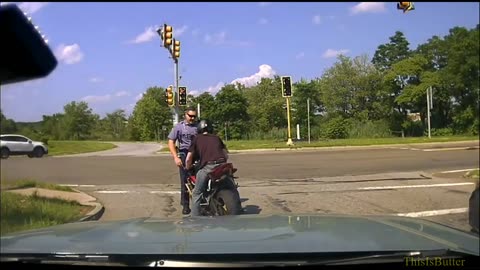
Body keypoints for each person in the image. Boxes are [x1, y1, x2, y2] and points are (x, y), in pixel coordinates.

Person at [185, 119, 229, 217]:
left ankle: (195, 219)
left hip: (208, 167)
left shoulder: (197, 138)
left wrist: (187, 167)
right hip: (223, 165)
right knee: (232, 184)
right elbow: (226, 155)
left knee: (197, 193)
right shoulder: (217, 138)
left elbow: (188, 158)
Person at [167, 107, 198, 215]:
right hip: (184, 153)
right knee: (185, 181)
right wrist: (176, 157)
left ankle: (201, 203)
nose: (192, 118)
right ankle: (185, 205)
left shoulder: (198, 126)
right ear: (185, 115)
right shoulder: (179, 127)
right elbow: (171, 141)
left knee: (200, 178)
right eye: (190, 116)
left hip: (197, 153)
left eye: (194, 116)